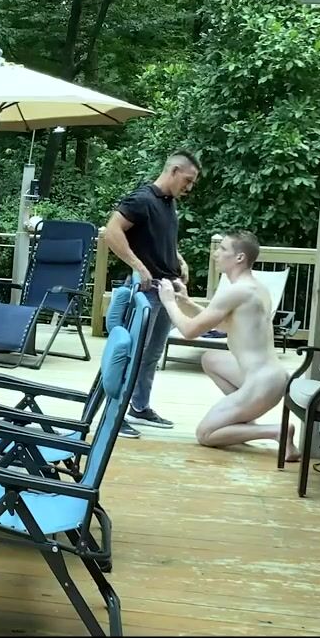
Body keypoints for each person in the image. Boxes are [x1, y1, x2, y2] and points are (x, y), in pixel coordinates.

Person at [155, 231, 299, 462]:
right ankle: (243, 419)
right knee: (211, 359)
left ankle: (276, 432)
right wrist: (186, 302)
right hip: (270, 376)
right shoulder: (255, 288)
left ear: (239, 257)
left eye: (222, 249)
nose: (216, 254)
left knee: (205, 434)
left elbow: (189, 331)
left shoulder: (236, 291)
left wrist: (169, 302)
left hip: (262, 383)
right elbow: (223, 326)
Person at [104, 150, 199, 436]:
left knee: (152, 354)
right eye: (188, 180)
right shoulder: (142, 199)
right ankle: (114, 413)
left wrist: (179, 259)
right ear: (174, 171)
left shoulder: (168, 203)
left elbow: (160, 238)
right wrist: (137, 265)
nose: (189, 187)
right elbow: (111, 231)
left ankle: (139, 406)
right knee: (132, 353)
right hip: (145, 293)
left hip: (167, 291)